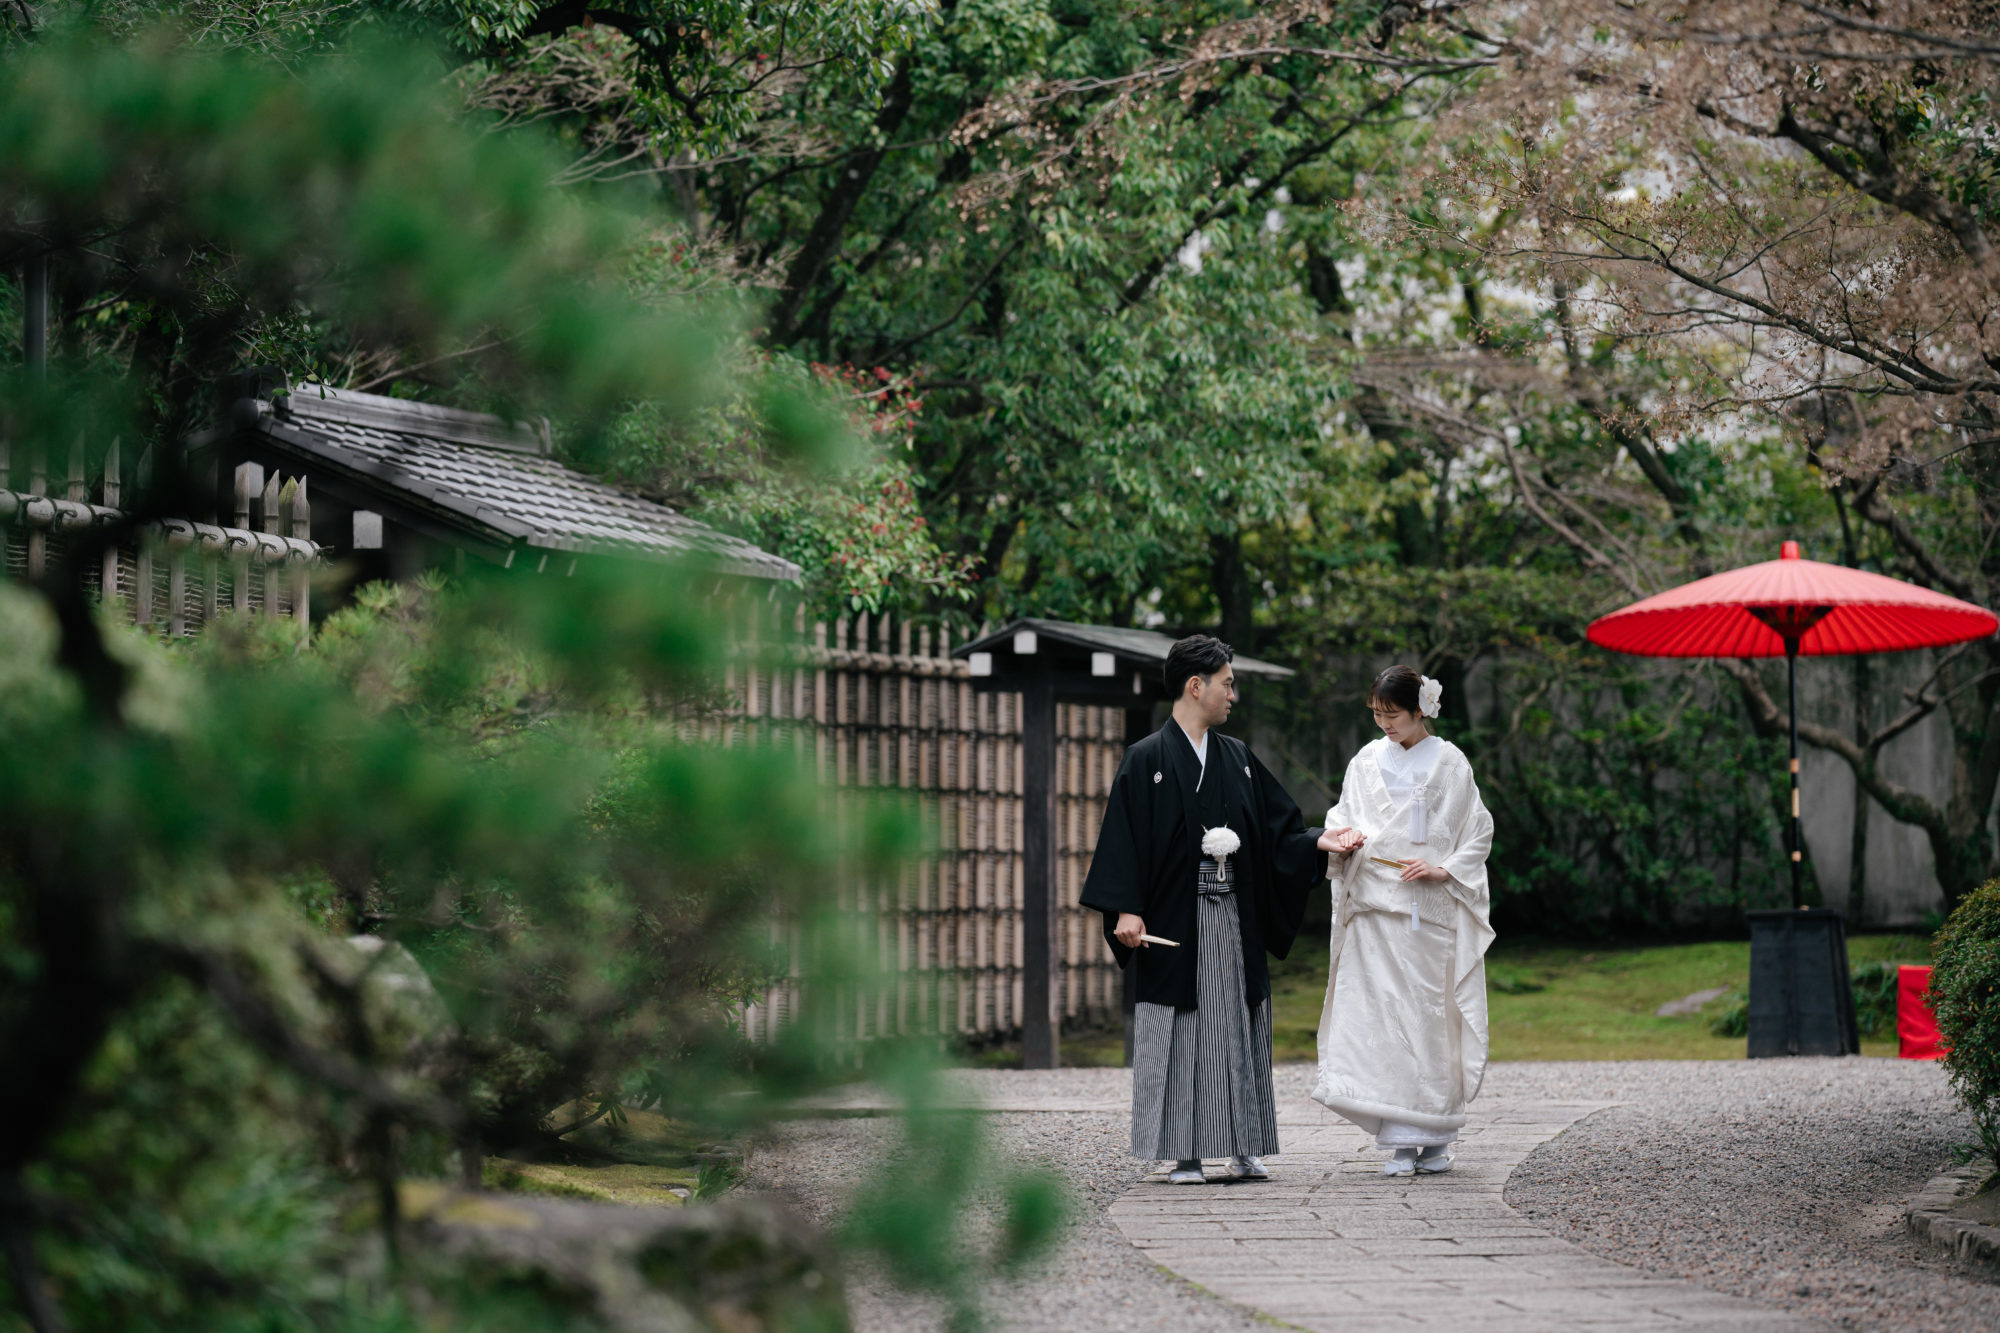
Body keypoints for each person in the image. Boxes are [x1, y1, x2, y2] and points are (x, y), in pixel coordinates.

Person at [1080, 635, 1327, 1184]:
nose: (1233, 695)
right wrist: (1125, 908)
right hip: (1174, 917)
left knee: (1238, 1024)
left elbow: (1276, 829)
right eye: (1228, 683)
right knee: (1182, 1027)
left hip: (1233, 918)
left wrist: (1316, 844)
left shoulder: (1237, 758)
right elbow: (1124, 840)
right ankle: (1184, 1152)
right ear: (1198, 686)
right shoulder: (1146, 759)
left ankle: (1245, 1146)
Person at [1311, 665, 1494, 1176]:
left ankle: (1435, 1136)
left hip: (1427, 910)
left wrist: (1445, 869)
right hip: (1375, 907)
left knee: (1430, 1017)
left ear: (1421, 711)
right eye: (1377, 715)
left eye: (1393, 715)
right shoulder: (1366, 760)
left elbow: (1477, 830)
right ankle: (1398, 1140)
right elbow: (1341, 814)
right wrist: (1342, 839)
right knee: (1381, 1020)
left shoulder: (1452, 763)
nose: (1385, 725)